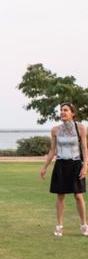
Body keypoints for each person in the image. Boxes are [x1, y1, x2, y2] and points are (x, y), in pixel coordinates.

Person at [40, 102, 88, 237]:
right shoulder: (55, 130)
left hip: (76, 164)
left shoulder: (81, 128)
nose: (62, 112)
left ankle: (84, 225)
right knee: (60, 196)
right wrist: (45, 167)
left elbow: (84, 148)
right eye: (61, 110)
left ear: (72, 113)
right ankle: (59, 226)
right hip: (61, 164)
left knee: (78, 196)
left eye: (66, 110)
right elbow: (52, 150)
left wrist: (85, 166)